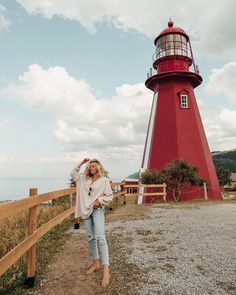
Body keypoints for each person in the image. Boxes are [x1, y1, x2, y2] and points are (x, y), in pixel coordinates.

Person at [70, 158, 113, 287]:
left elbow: (110, 196)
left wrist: (99, 201)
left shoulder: (104, 181)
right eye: (89, 166)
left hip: (97, 211)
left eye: (93, 166)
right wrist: (82, 162)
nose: (91, 168)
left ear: (98, 167)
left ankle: (106, 270)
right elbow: (72, 173)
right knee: (91, 238)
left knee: (100, 238)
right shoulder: (83, 179)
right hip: (85, 212)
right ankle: (96, 263)